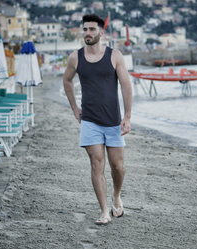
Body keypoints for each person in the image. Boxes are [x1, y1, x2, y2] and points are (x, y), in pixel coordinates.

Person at [63, 14, 132, 225]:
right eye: (85, 29)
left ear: (101, 32)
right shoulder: (75, 58)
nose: (87, 33)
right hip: (90, 120)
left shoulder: (115, 56)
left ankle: (116, 195)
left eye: (92, 29)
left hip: (113, 120)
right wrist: (75, 107)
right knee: (96, 164)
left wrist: (127, 116)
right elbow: (67, 81)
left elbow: (126, 86)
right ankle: (104, 211)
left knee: (117, 166)